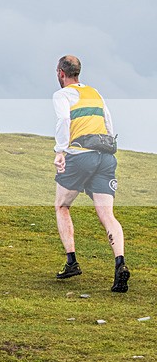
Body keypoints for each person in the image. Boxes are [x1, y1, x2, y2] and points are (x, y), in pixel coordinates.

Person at [52, 55, 129, 292]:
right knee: (108, 215)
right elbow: (108, 121)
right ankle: (120, 264)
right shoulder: (95, 93)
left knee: (62, 205)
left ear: (60, 73)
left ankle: (72, 261)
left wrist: (60, 151)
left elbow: (65, 119)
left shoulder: (62, 95)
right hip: (105, 156)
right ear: (78, 72)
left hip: (80, 155)